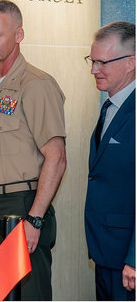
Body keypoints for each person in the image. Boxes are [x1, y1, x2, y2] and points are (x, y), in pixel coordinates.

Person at [0, 0, 67, 300]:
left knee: (28, 296)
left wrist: (35, 219)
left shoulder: (36, 84)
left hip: (22, 206)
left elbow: (56, 157)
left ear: (19, 35)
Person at [84, 22, 135, 300]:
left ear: (131, 63)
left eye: (102, 62)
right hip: (105, 252)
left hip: (127, 260)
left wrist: (135, 257)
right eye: (92, 61)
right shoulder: (109, 106)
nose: (94, 70)